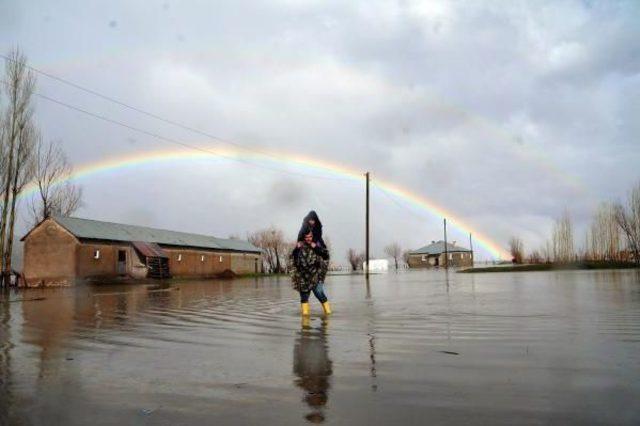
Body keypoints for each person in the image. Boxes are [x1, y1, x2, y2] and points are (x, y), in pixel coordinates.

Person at [289, 226, 331, 316]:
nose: (308, 239)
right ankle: (305, 323)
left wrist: (316, 247)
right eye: (306, 237)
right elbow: (293, 259)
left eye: (310, 237)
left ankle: (328, 316)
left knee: (320, 294)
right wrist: (296, 249)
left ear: (312, 237)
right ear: (304, 237)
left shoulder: (316, 245)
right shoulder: (299, 246)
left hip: (315, 277)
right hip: (303, 279)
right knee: (304, 299)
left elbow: (326, 255)